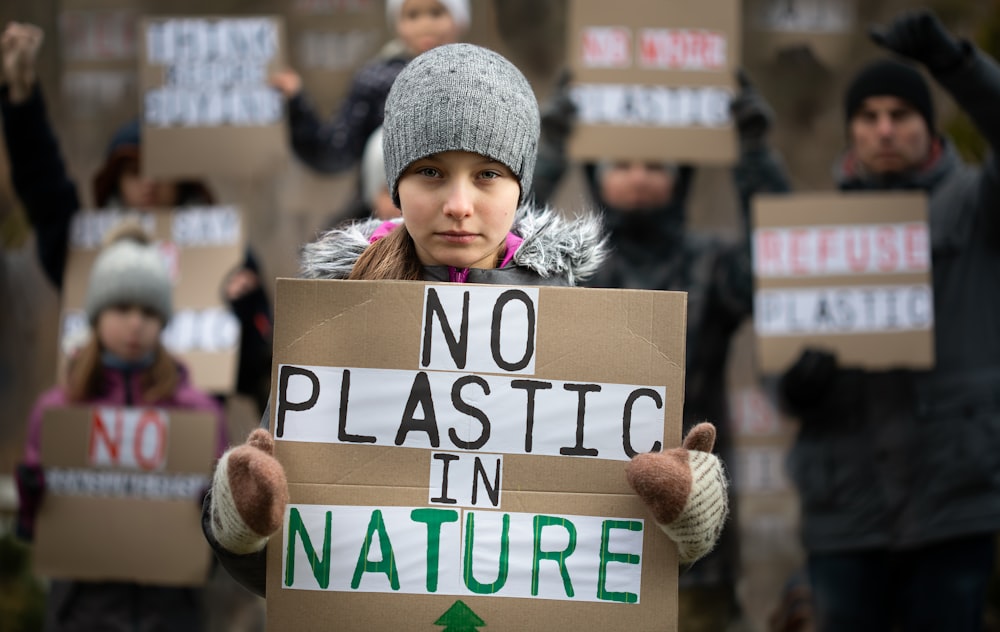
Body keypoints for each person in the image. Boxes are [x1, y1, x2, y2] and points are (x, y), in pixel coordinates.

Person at [201, 43, 731, 599]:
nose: (458, 202)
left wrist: (686, 515)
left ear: (520, 186)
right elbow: (279, 562)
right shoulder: (334, 322)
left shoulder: (578, 325)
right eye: (430, 171)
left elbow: (616, 562)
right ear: (395, 182)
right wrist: (243, 523)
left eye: (486, 175)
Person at [533, 72, 790, 630]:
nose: (639, 177)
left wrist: (751, 150)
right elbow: (501, 257)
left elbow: (781, 249)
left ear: (680, 178)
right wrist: (550, 148)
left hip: (696, 537)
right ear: (598, 177)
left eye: (655, 165)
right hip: (583, 535)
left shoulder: (713, 265)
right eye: (622, 164)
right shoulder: (572, 268)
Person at [775, 9, 1000, 631]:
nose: (884, 129)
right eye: (868, 117)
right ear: (851, 133)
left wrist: (956, 64)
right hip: (847, 509)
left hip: (953, 503)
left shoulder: (977, 205)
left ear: (929, 127)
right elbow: (781, 353)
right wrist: (795, 384)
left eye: (899, 115)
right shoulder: (812, 234)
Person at [0, 21, 274, 415]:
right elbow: (45, 189)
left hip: (191, 440)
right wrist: (23, 102)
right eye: (133, 172)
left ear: (182, 180)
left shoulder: (227, 254)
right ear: (115, 181)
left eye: (159, 170)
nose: (147, 184)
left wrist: (248, 310)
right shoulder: (90, 249)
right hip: (100, 437)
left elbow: (256, 373)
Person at [15, 225, 227, 631]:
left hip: (170, 614)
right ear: (97, 314)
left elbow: (218, 533)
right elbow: (32, 527)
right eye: (122, 308)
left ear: (163, 320)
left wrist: (211, 506)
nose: (135, 324)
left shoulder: (199, 414)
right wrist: (34, 491)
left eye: (148, 312)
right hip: (81, 614)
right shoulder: (58, 411)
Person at [272, 0, 469, 175]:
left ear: (459, 18)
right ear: (397, 23)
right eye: (412, 15)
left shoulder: (476, 78)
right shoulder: (375, 81)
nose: (425, 25)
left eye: (436, 13)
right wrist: (296, 99)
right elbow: (334, 152)